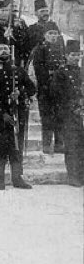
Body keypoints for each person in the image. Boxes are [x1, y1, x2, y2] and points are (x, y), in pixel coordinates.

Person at [0, 42, 35, 190]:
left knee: (16, 147)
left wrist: (20, 92)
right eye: (0, 49)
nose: (4, 51)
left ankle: (17, 178)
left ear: (10, 52)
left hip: (17, 115)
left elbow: (31, 88)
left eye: (6, 48)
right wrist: (2, 114)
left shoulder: (18, 70)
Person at [49, 40, 83, 186]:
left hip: (81, 114)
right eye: (73, 55)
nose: (76, 58)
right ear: (66, 56)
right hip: (69, 116)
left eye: (78, 55)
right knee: (72, 147)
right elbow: (56, 95)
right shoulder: (61, 73)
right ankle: (73, 177)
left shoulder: (82, 72)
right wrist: (73, 107)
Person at [32, 26, 67, 154]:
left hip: (59, 89)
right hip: (46, 89)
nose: (53, 36)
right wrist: (49, 77)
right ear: (45, 35)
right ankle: (46, 145)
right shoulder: (40, 49)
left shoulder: (61, 50)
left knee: (59, 116)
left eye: (55, 33)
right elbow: (38, 69)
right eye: (50, 33)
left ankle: (59, 144)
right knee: (47, 117)